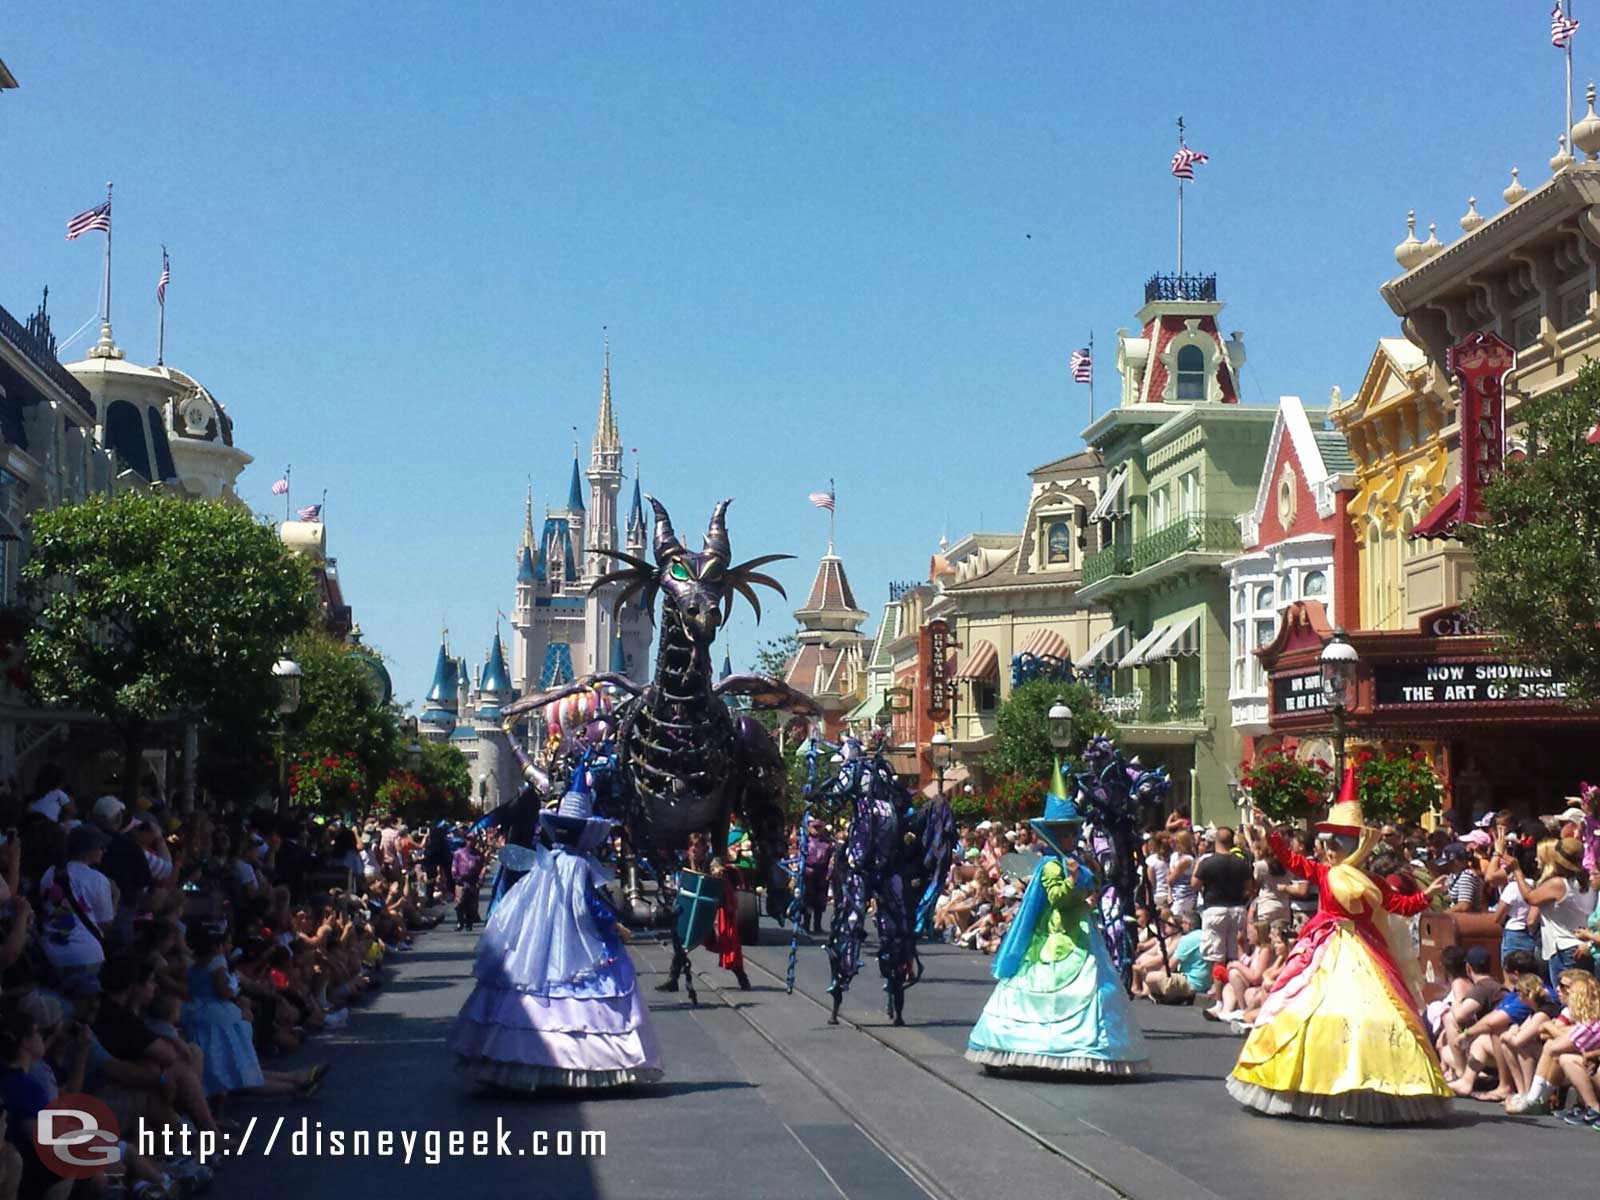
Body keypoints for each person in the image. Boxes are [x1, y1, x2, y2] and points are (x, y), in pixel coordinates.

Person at [1226, 771, 1453, 1124]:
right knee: (1304, 1009)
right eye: (1328, 844)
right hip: (1324, 947)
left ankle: (1374, 1088)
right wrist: (1270, 831)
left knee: (1372, 1016)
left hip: (1364, 952)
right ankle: (1307, 1087)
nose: (1329, 850)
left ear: (1355, 847)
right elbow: (1290, 860)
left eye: (1336, 845)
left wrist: (1428, 895)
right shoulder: (1323, 872)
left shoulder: (1373, 881)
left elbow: (1400, 907)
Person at [449, 771, 662, 1090]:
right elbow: (587, 903)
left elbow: (521, 898)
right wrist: (613, 925)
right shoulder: (578, 865)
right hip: (574, 942)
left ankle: (517, 1059)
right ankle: (583, 1064)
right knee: (584, 990)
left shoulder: (545, 860)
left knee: (533, 989)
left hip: (539, 939)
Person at [964, 764, 1148, 1076]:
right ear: (1051, 834)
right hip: (1057, 937)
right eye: (1062, 832)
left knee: (1095, 988)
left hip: (1079, 932)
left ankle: (1092, 1050)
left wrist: (1088, 888)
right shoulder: (1051, 866)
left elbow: (1089, 890)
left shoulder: (1072, 861)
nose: (1069, 836)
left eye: (1072, 831)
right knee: (1054, 989)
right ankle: (1035, 1048)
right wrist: (1074, 883)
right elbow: (1058, 899)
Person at [1505, 836, 1596, 987]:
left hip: (1564, 948)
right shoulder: (1587, 882)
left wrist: (1517, 871)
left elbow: (1530, 898)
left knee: (1567, 1000)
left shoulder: (1558, 884)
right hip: (1581, 946)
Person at [1194, 827, 1252, 1018]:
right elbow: (1249, 888)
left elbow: (1195, 884)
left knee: (1217, 957)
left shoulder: (1207, 862)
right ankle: (1237, 999)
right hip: (1237, 908)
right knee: (1235, 956)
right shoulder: (1241, 863)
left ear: (1215, 841)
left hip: (1215, 909)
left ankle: (1220, 1002)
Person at [802, 818, 834, 934]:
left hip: (822, 874)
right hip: (808, 873)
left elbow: (831, 859)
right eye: (815, 827)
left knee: (820, 901)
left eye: (819, 827)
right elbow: (800, 856)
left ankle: (817, 925)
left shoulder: (828, 843)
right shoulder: (805, 841)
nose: (817, 830)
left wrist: (829, 873)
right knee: (807, 899)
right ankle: (806, 924)